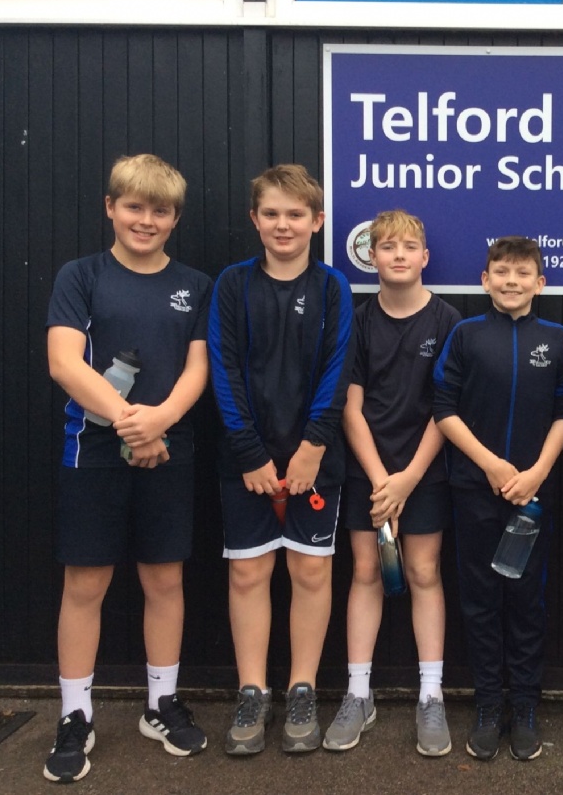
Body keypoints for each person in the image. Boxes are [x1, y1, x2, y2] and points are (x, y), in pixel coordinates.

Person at [43, 154, 212, 783]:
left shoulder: (196, 284)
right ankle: (75, 715)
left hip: (171, 448)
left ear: (174, 220)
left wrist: (159, 421)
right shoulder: (79, 276)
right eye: (134, 207)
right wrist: (129, 421)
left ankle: (160, 704)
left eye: (160, 210)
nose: (146, 220)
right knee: (85, 585)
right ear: (111, 208)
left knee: (164, 580)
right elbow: (65, 362)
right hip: (91, 450)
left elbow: (198, 368)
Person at [208, 164, 353, 756]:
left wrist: (313, 448)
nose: (283, 224)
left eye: (296, 214)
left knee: (310, 572)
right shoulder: (231, 284)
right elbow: (224, 366)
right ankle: (251, 691)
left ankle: (301, 689)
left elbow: (338, 370)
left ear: (317, 221)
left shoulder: (334, 286)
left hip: (316, 461)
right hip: (246, 461)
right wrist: (248, 450)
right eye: (271, 213)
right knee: (248, 573)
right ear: (254, 220)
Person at [433, 236, 563, 761]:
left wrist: (536, 471)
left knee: (525, 601)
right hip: (476, 489)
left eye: (522, 273)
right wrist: (491, 465)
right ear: (484, 279)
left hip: (533, 495)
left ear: (541, 283)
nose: (511, 281)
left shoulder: (557, 338)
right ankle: (489, 704)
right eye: (501, 271)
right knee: (480, 598)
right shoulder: (466, 335)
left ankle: (526, 705)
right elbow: (444, 408)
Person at [324, 209, 460, 757]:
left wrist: (407, 480)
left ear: (425, 258)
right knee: (365, 571)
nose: (398, 255)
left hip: (422, 471)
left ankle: (432, 696)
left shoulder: (449, 320)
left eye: (409, 247)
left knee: (424, 571)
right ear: (371, 257)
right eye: (387, 246)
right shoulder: (357, 320)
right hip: (369, 472)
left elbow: (446, 410)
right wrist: (383, 481)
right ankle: (359, 693)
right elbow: (349, 407)